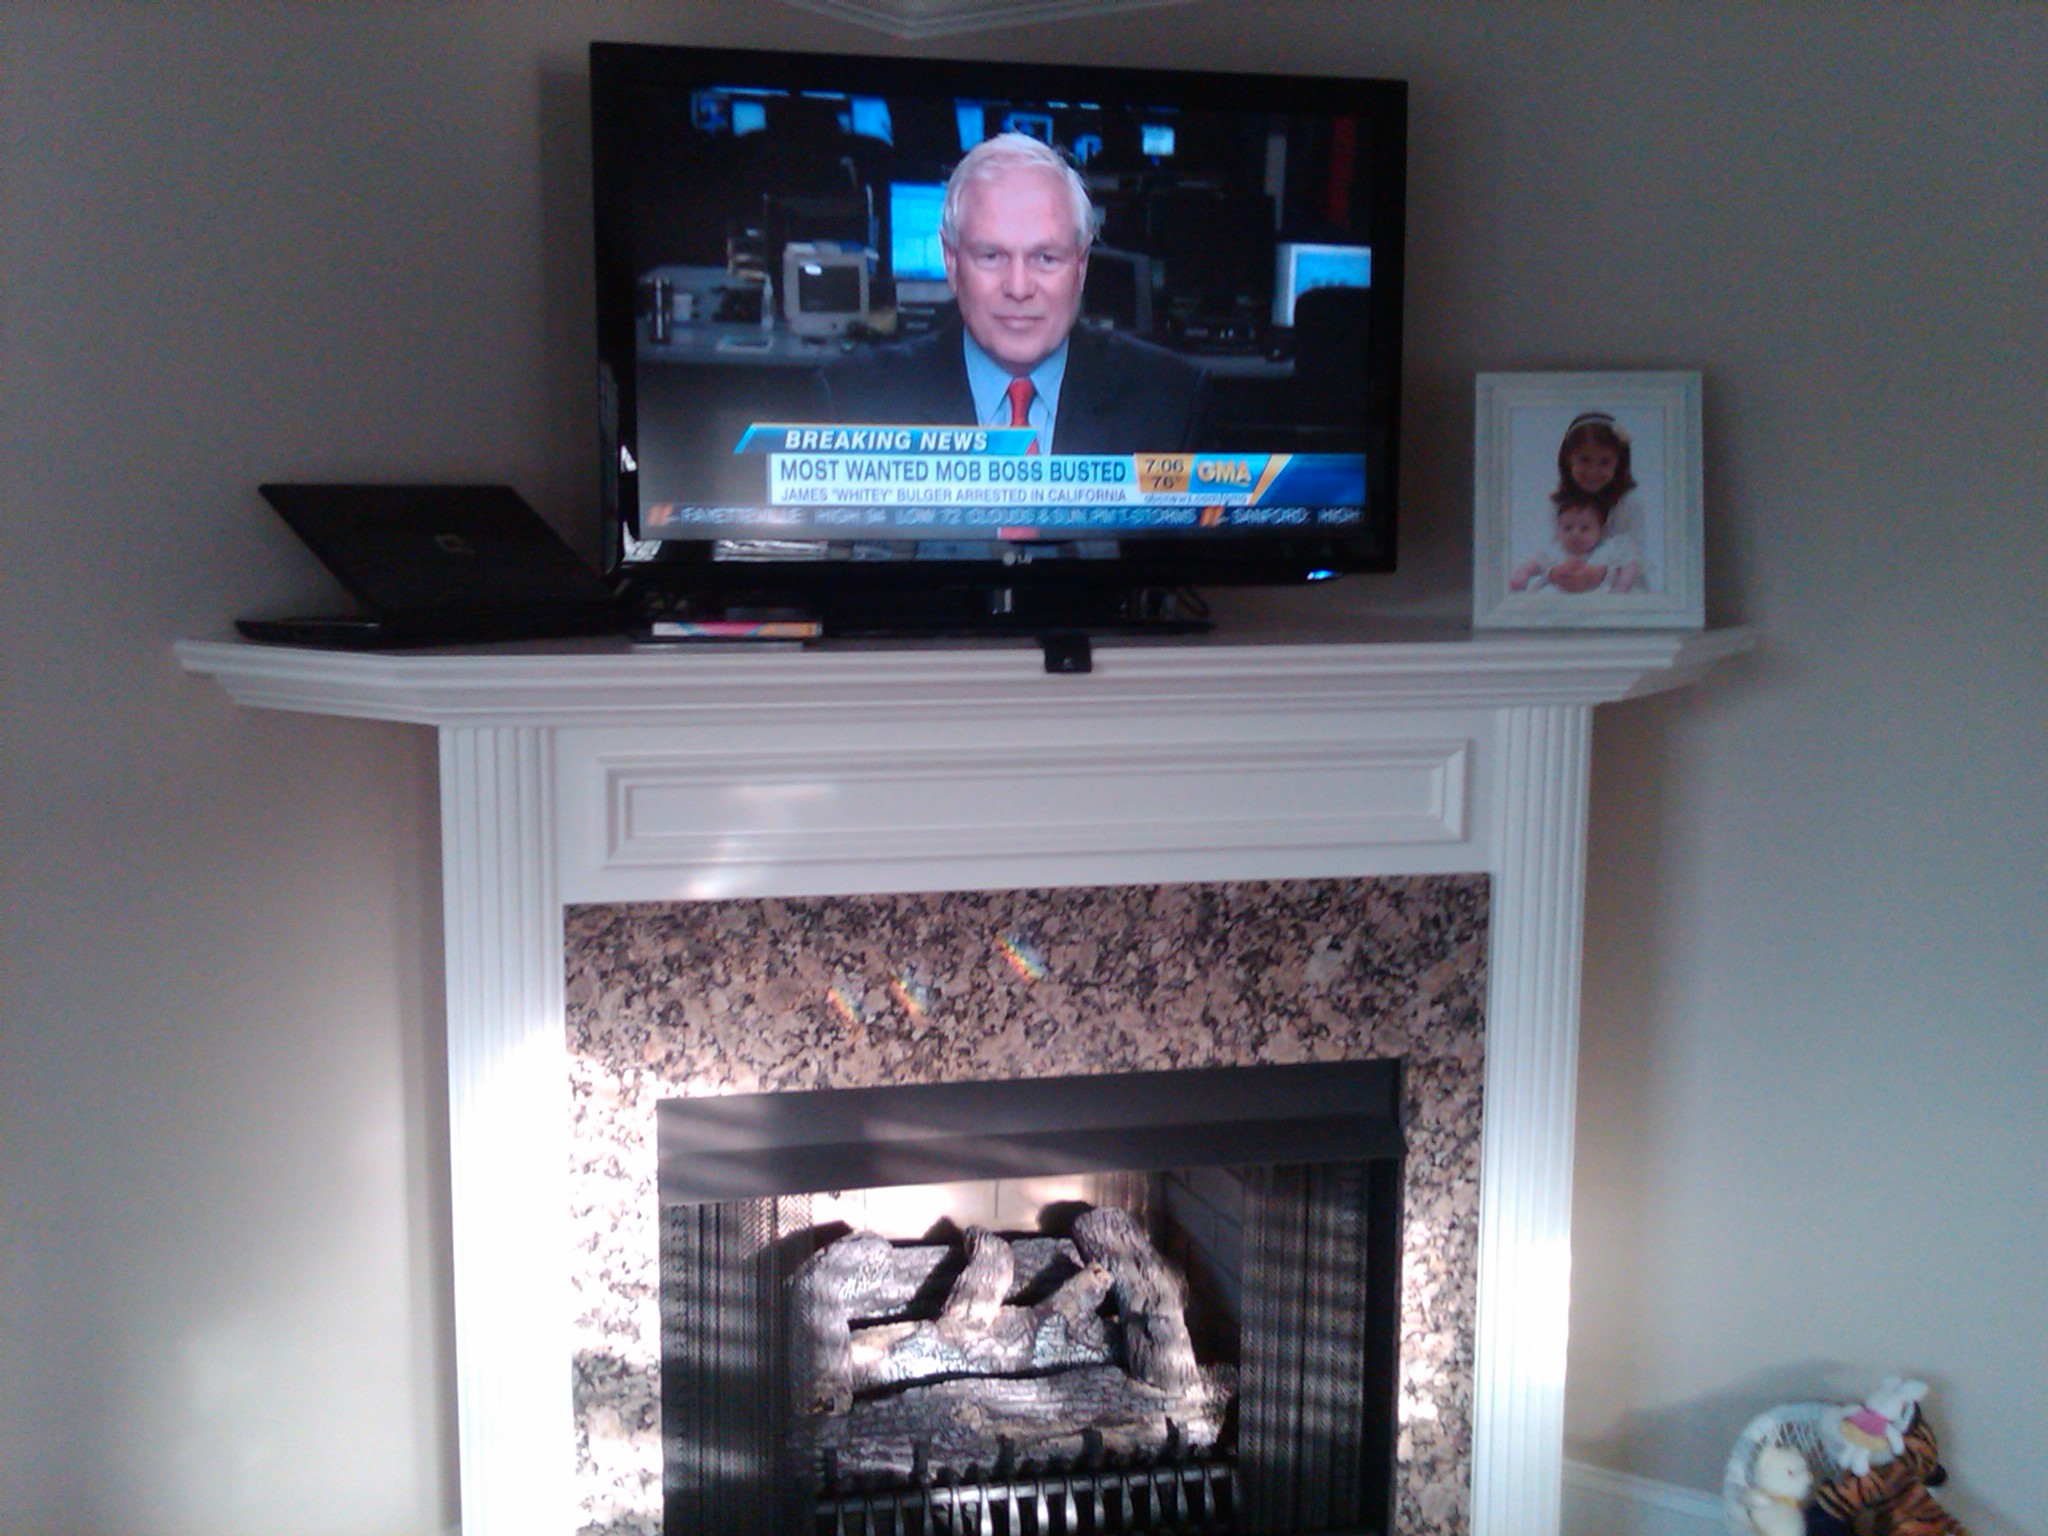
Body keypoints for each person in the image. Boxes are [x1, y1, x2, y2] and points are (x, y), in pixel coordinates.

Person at [819, 134, 1207, 453]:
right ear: (951, 261)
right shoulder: (853, 401)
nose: (1019, 288)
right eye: (991, 256)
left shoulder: (1172, 402)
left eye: (1046, 258)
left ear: (1081, 265)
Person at [1509, 412, 1650, 593]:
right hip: (1572, 587)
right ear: (1569, 459)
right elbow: (1555, 551)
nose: (1593, 471)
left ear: (1619, 463)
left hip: (1619, 590)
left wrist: (1603, 574)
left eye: (1605, 462)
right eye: (1584, 460)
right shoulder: (1560, 504)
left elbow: (1635, 557)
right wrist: (1553, 572)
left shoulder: (1627, 503)